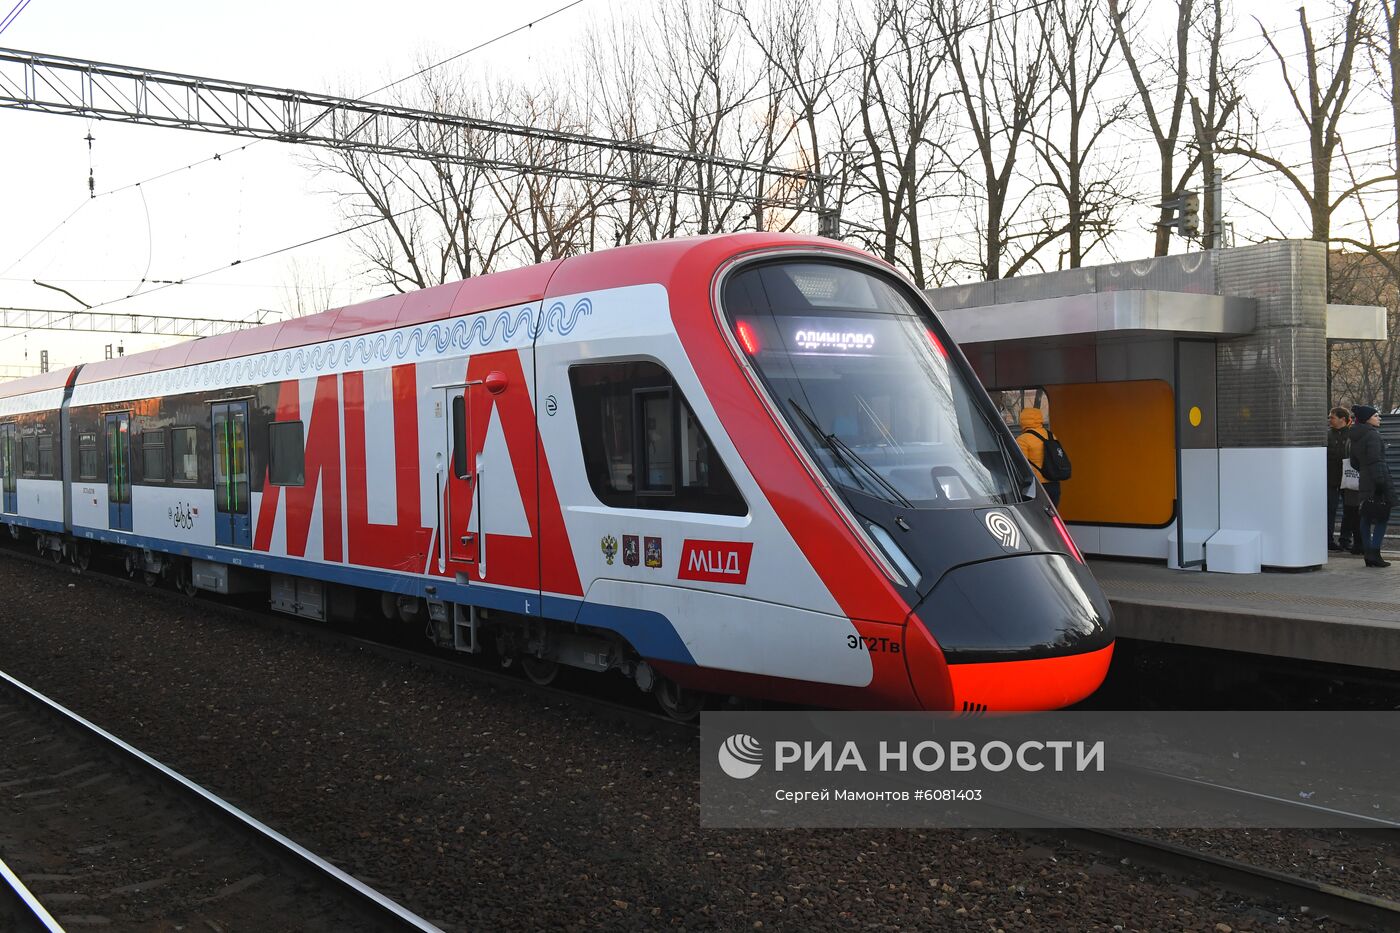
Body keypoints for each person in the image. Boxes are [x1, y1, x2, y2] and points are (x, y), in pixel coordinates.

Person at [1349, 405, 1392, 568]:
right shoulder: (1373, 435)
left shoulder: (1355, 436)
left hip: (1365, 480)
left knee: (1366, 516)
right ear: (1367, 418)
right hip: (1378, 479)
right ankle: (1375, 553)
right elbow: (1376, 461)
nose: (1379, 418)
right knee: (1382, 516)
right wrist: (1380, 482)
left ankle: (1368, 554)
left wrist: (1365, 471)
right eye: (1376, 415)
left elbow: (1353, 462)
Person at [1017, 406, 1060, 506]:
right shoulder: (1050, 435)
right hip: (1054, 483)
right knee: (1051, 516)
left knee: (1036, 517)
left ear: (1023, 420)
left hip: (1036, 486)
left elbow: (1021, 465)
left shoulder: (1023, 439)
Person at [1327, 407, 1351, 550]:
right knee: (1330, 510)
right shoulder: (1327, 435)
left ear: (1342, 419)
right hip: (1331, 479)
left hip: (1348, 479)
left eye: (1332, 417)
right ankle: (1329, 540)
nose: (1329, 420)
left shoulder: (1352, 435)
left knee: (1349, 511)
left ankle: (1345, 540)